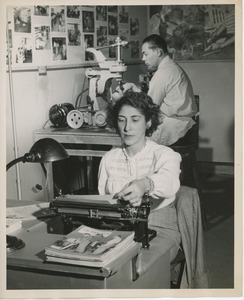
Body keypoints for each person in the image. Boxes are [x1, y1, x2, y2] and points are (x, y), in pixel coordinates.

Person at [98, 90, 182, 261]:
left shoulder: (165, 154)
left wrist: (144, 184)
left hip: (158, 227)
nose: (127, 127)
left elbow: (170, 182)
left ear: (149, 122)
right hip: (119, 227)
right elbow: (103, 199)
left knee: (135, 266)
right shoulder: (109, 158)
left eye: (135, 120)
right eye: (122, 120)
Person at [113, 34, 198, 146]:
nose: (143, 59)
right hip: (183, 123)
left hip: (175, 127)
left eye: (145, 54)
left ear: (158, 52)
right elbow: (151, 100)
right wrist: (134, 87)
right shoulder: (172, 67)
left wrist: (121, 100)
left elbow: (149, 107)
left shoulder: (162, 74)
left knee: (134, 142)